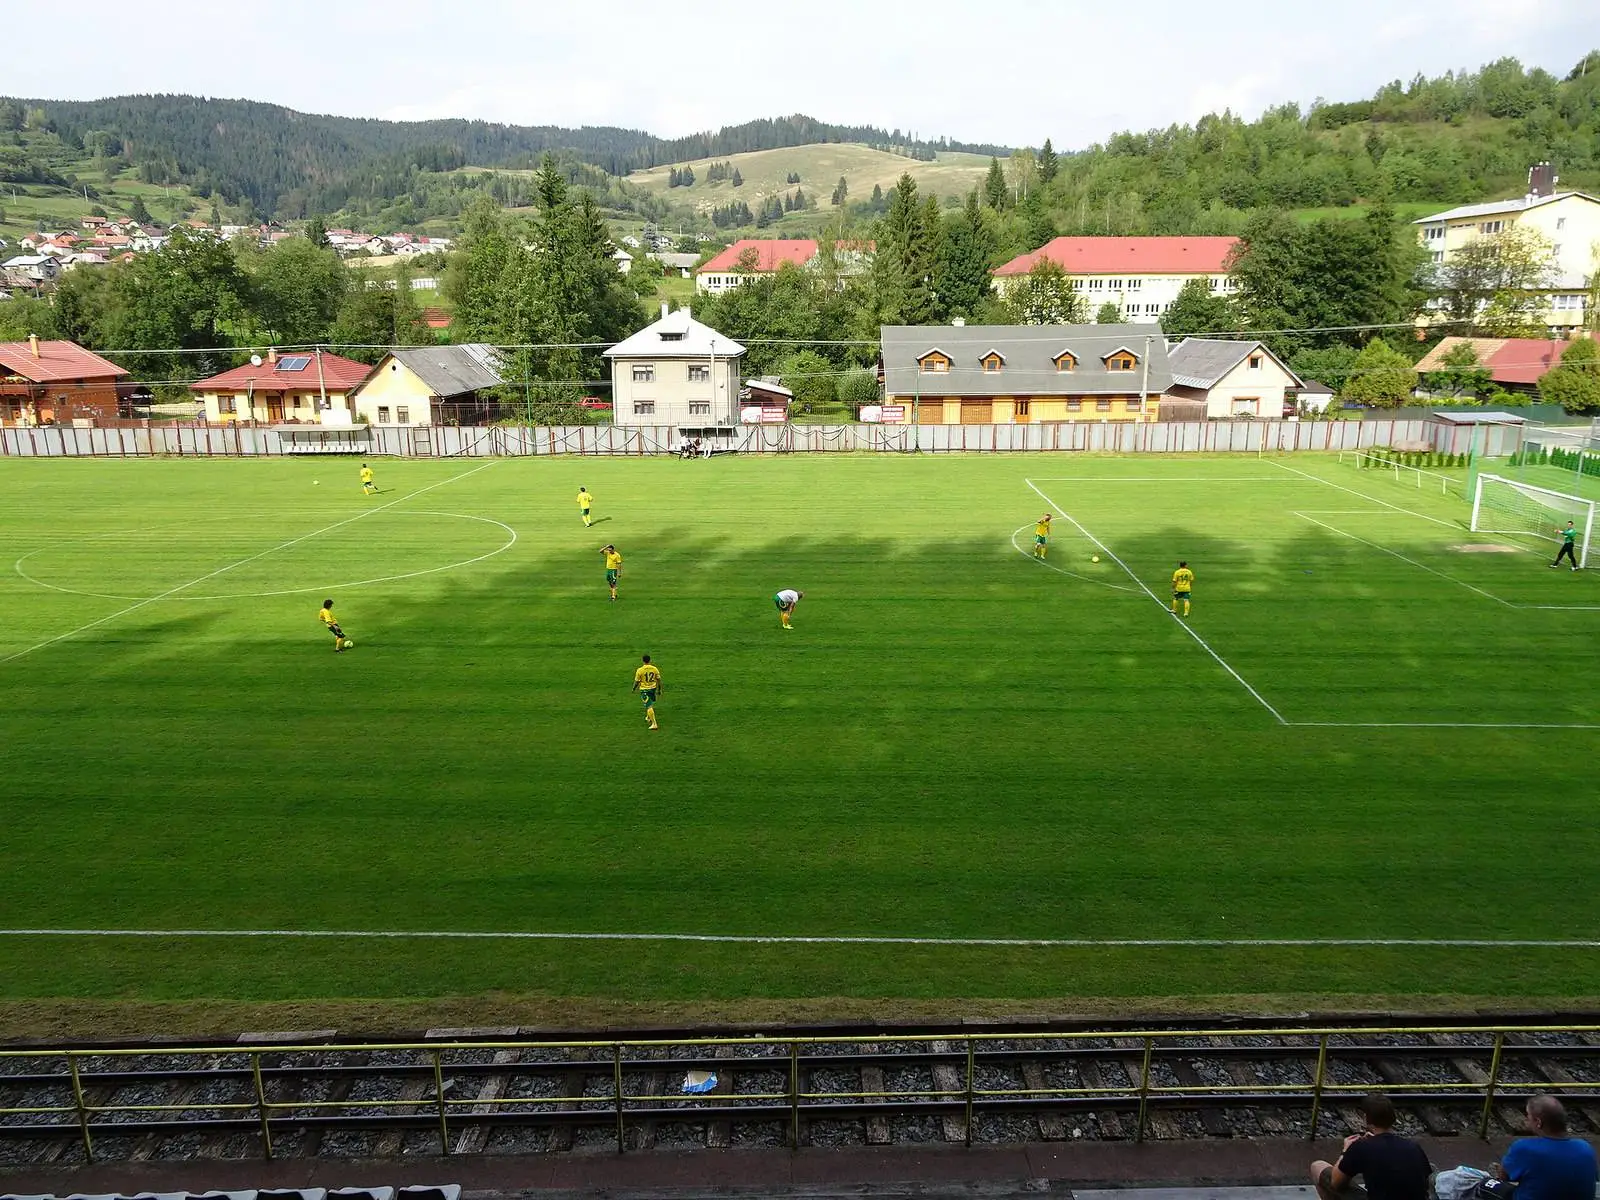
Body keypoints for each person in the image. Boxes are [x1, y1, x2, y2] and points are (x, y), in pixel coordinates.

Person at [1310, 1093, 1431, 1200]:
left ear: (1366, 1118)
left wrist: (1345, 1151)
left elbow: (1336, 1182)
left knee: (1317, 1166)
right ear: (1393, 1118)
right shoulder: (1413, 1147)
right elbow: (1426, 1181)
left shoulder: (1361, 1147)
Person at [1498, 1096, 1598, 1200]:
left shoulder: (1524, 1148)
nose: (1526, 1119)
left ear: (1538, 1122)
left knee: (1485, 1185)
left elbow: (1503, 1177)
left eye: (1528, 1115)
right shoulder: (1585, 1148)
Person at [632, 654, 661, 730]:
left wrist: (634, 689)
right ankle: (648, 717)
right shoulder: (654, 669)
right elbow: (659, 680)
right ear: (650, 660)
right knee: (650, 703)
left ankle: (654, 724)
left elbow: (637, 681)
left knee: (649, 706)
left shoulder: (640, 670)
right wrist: (659, 689)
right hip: (653, 688)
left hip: (645, 690)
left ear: (643, 660)